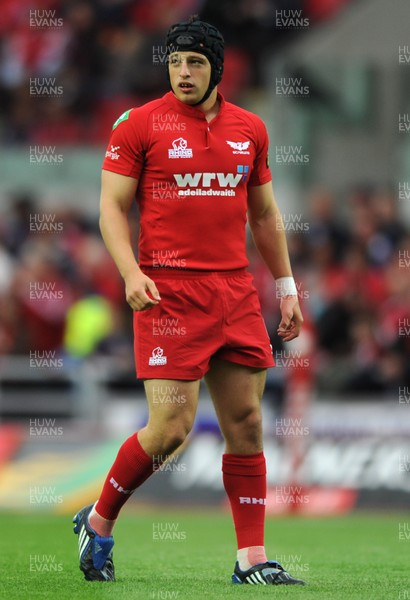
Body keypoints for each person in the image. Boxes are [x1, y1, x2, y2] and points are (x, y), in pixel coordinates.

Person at [73, 15, 305, 586]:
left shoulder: (250, 128)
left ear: (217, 68)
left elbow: (266, 216)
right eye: (176, 61)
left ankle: (251, 559)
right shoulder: (139, 125)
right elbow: (110, 210)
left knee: (247, 423)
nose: (183, 72)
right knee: (171, 428)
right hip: (167, 294)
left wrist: (286, 286)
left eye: (195, 62)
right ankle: (98, 522)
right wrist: (129, 273)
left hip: (234, 292)